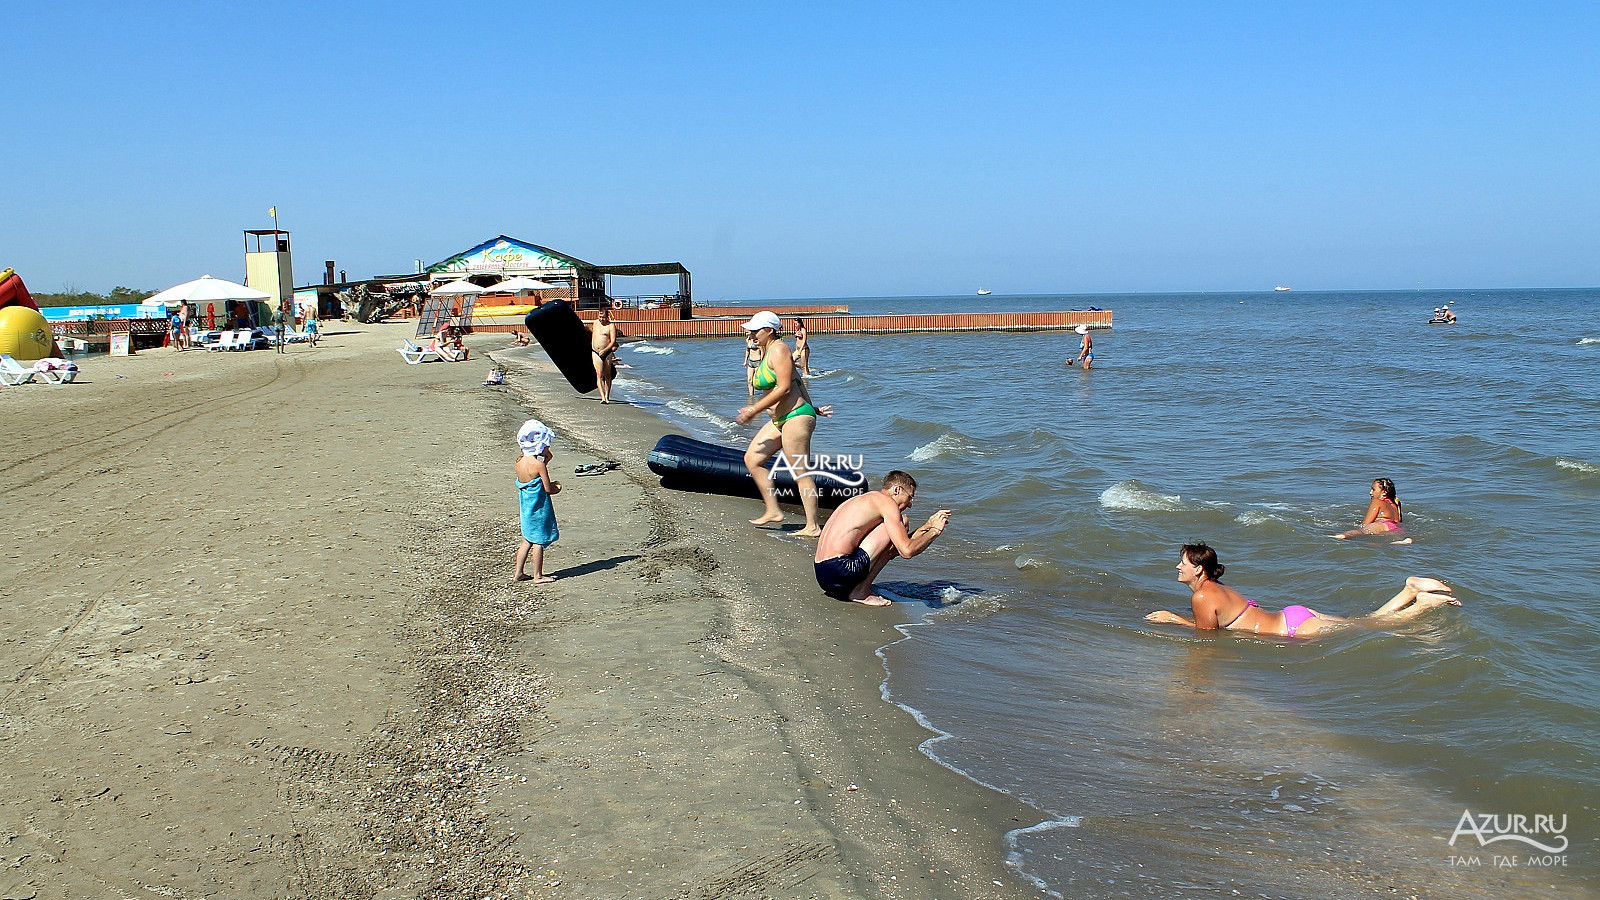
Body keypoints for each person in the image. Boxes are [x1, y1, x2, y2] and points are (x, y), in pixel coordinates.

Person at [1144, 542, 1459, 639]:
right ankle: (1409, 590)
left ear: (1197, 569)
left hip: (1294, 630)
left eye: (1181, 564)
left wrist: (1174, 619)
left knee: (1379, 626)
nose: (1177, 568)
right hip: (1293, 615)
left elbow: (1207, 637)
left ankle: (1423, 605)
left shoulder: (1200, 596)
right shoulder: (1216, 587)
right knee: (1367, 622)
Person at [737, 311, 834, 536]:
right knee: (752, 459)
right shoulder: (768, 351)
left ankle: (812, 526)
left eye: (755, 330)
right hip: (781, 419)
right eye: (750, 330)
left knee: (800, 473)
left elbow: (785, 388)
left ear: (769, 330)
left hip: (795, 418)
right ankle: (773, 510)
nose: (751, 334)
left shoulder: (779, 349)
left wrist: (753, 409)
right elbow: (797, 380)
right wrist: (814, 407)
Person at [813, 471, 951, 607]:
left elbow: (896, 547)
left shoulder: (864, 499)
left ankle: (857, 588)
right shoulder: (887, 503)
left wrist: (927, 527)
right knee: (903, 521)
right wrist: (935, 531)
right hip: (841, 571)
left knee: (899, 529)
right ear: (897, 490)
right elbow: (906, 551)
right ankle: (860, 591)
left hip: (822, 575)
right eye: (910, 497)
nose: (910, 504)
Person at [513, 419, 562, 583]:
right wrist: (557, 488)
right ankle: (537, 575)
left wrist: (545, 461)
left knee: (527, 540)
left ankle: (518, 572)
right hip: (539, 509)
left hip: (526, 508)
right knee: (539, 541)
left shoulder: (519, 462)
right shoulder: (538, 466)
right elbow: (548, 489)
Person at [1332, 477, 1406, 541]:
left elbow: (1365, 523)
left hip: (1383, 525)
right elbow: (1399, 521)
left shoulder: (1377, 501)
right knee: (1396, 540)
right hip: (1397, 528)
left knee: (1363, 531)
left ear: (1384, 492)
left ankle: (1343, 535)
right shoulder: (1395, 504)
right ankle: (1406, 540)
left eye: (1373, 490)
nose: (1370, 492)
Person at [590, 307, 622, 403]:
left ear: (607, 317)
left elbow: (613, 341)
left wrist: (605, 350)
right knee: (599, 374)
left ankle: (607, 396)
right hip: (595, 352)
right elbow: (591, 332)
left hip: (607, 352)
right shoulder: (595, 323)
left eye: (603, 317)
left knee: (607, 375)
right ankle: (603, 397)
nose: (601, 319)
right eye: (600, 317)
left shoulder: (611, 326)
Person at [744, 333, 763, 401]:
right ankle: (751, 397)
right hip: (750, 362)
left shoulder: (757, 340)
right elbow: (747, 350)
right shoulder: (748, 340)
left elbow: (762, 351)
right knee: (749, 380)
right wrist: (745, 361)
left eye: (748, 333)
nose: (748, 334)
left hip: (757, 361)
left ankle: (765, 395)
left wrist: (762, 361)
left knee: (758, 380)